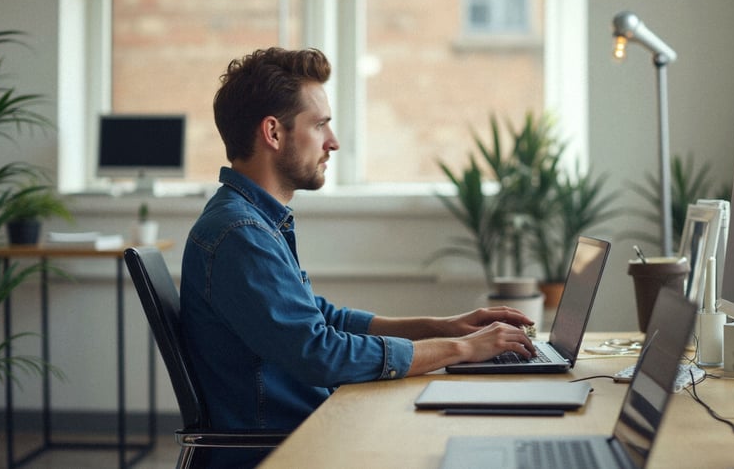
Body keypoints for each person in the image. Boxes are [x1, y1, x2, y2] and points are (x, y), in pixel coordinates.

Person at [179, 47, 536, 468]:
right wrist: (459, 348)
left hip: (315, 428)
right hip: (286, 448)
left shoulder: (251, 222)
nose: (333, 142)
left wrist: (440, 327)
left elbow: (321, 318)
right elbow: (320, 352)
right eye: (320, 125)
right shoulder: (241, 235)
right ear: (273, 133)